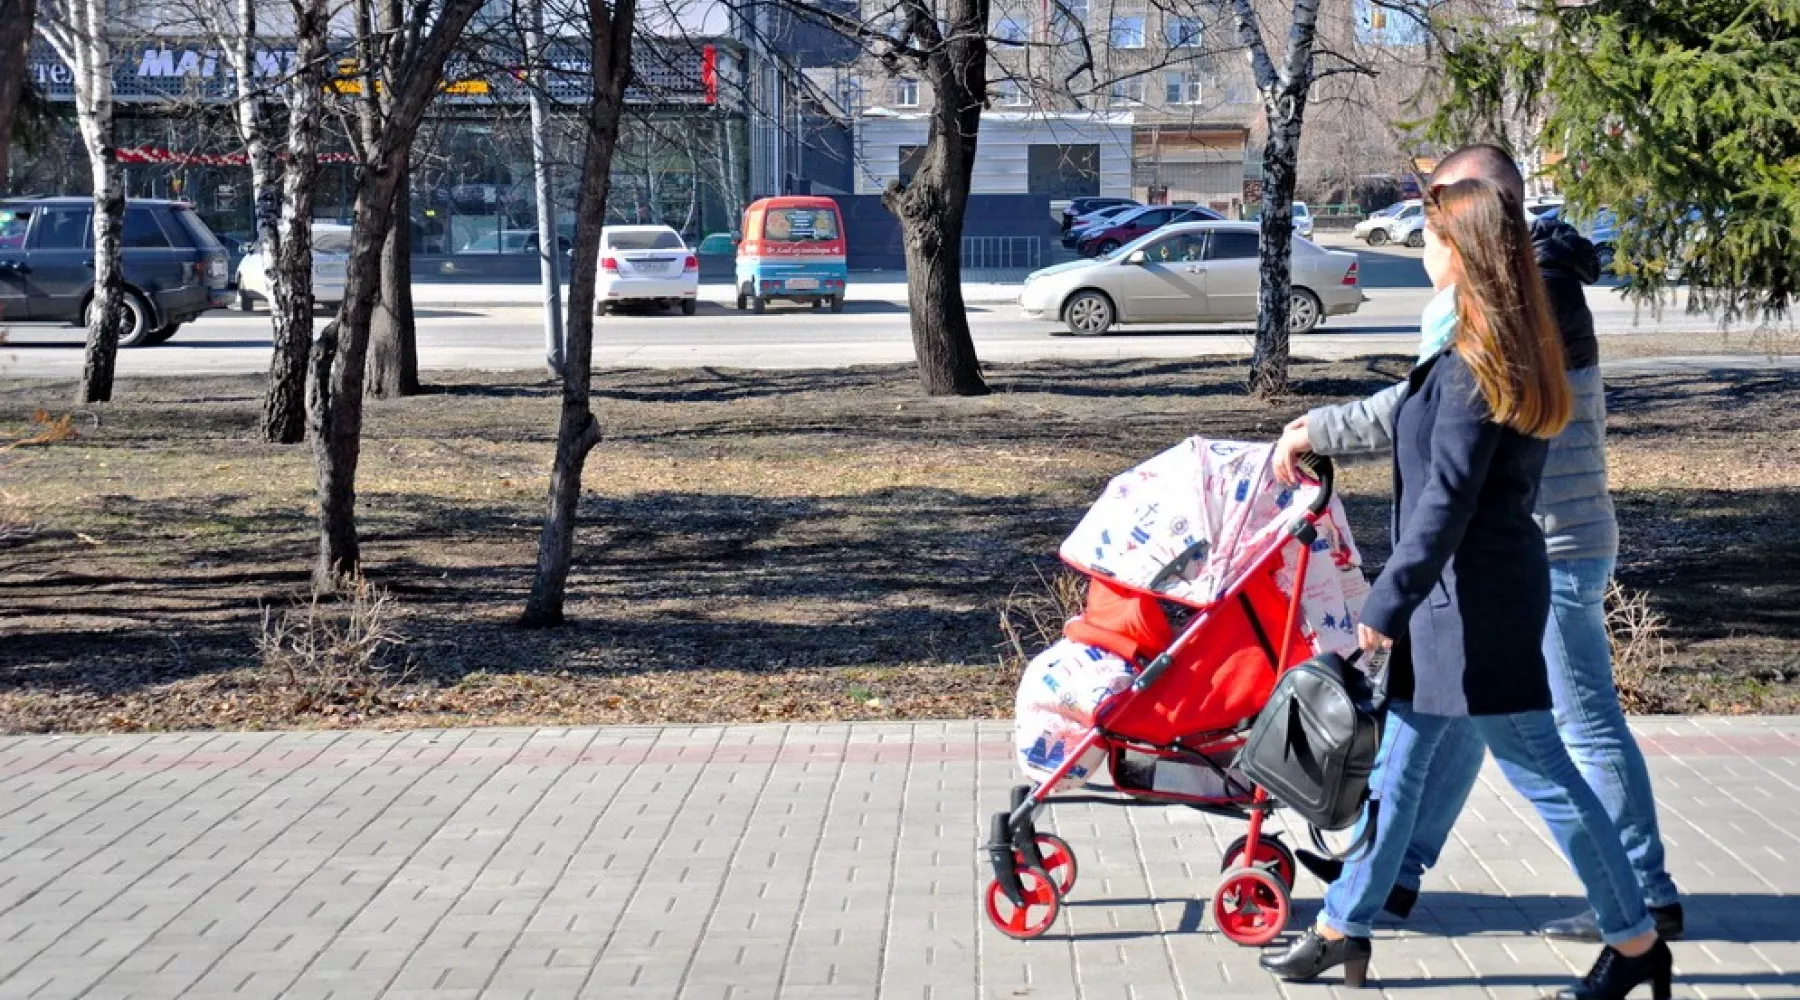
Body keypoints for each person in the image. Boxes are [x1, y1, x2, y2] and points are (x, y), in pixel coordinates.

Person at [1258, 175, 1673, 1000]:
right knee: (1403, 772)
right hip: (1461, 601)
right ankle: (1345, 925)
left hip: (1472, 606)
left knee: (1546, 775)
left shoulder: (1474, 366)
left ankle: (1635, 943)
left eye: (1430, 236)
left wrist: (1385, 607)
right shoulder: (1485, 347)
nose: (1421, 250)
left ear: (1462, 251)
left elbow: (1447, 504)